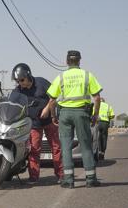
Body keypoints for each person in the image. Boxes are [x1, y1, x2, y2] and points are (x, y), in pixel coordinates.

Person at [42, 50, 102, 189]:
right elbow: (97, 98)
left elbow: (52, 100)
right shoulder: (87, 75)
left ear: (67, 61)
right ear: (80, 60)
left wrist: (53, 116)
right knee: (86, 145)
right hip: (82, 113)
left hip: (65, 114)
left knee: (66, 147)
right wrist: (95, 115)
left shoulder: (61, 77)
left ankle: (68, 180)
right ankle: (91, 179)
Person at [11, 63, 64, 184]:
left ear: (28, 75)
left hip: (49, 121)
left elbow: (54, 97)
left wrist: (47, 109)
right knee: (34, 150)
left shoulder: (42, 82)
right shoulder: (18, 90)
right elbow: (11, 102)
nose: (20, 83)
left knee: (56, 148)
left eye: (22, 80)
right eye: (18, 81)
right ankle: (34, 177)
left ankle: (61, 175)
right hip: (33, 124)